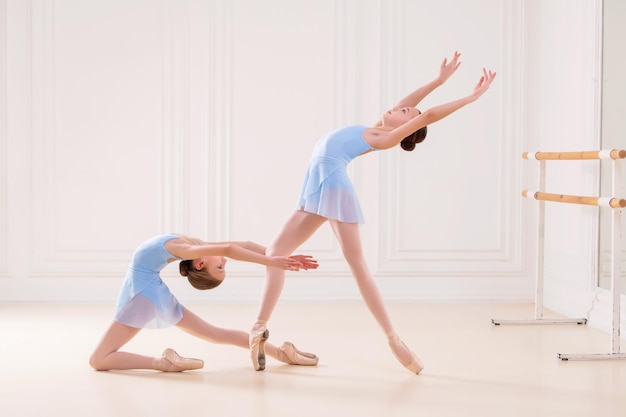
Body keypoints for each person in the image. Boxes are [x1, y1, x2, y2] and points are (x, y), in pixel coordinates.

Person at [249, 51, 497, 374]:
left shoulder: (385, 138)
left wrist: (470, 98)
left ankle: (393, 338)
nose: (398, 107)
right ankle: (259, 327)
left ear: (406, 127)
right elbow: (410, 107)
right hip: (317, 185)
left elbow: (427, 114)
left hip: (334, 188)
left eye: (404, 112)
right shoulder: (380, 125)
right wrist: (438, 80)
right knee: (276, 252)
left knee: (358, 266)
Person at [89, 233, 319, 372]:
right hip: (151, 293)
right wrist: (275, 259)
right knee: (215, 334)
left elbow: (237, 247)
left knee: (98, 359)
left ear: (199, 265)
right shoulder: (190, 246)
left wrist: (277, 259)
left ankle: (163, 363)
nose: (224, 261)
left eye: (220, 267)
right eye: (222, 266)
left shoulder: (188, 248)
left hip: (143, 294)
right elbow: (238, 246)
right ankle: (281, 353)